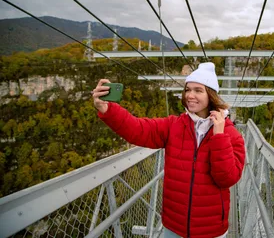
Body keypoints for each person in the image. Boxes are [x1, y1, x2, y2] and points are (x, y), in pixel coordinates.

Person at [92, 62, 246, 238]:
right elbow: (138, 129)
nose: (190, 95)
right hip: (174, 227)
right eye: (187, 89)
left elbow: (227, 178)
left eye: (198, 90)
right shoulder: (174, 126)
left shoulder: (230, 135)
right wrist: (108, 110)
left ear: (211, 95)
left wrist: (219, 137)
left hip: (210, 230)